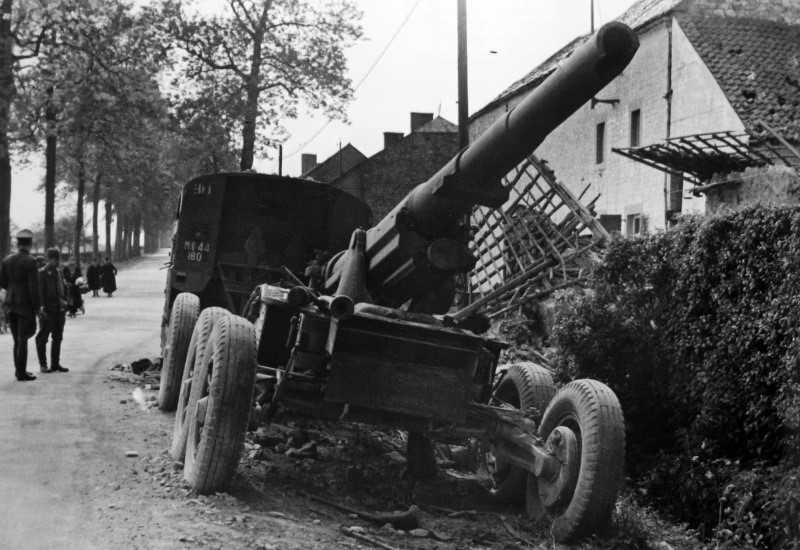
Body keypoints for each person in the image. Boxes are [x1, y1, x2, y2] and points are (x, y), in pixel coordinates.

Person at [0, 229, 40, 381]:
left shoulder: (7, 260)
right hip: (24, 306)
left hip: (10, 304)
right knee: (23, 339)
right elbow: (33, 288)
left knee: (16, 340)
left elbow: (2, 282)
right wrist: (38, 308)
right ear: (29, 244)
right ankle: (21, 373)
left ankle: (19, 371)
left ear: (18, 244)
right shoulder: (31, 261)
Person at [36, 248, 69, 374]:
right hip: (48, 310)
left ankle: (55, 364)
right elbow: (40, 293)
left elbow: (62, 288)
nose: (57, 261)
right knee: (43, 338)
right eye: (55, 259)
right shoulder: (42, 273)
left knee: (58, 337)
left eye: (58, 259)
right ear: (49, 259)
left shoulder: (59, 272)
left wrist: (65, 301)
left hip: (60, 310)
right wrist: (42, 308)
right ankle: (43, 365)